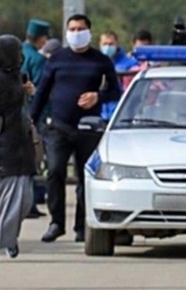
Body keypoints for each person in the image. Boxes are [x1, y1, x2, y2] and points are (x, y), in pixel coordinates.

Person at [30, 14, 122, 243]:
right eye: (72, 28)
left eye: (80, 28)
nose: (76, 32)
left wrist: (97, 96)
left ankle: (82, 226)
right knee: (55, 172)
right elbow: (42, 91)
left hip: (88, 128)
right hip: (59, 127)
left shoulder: (100, 60)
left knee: (85, 178)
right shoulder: (56, 59)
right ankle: (56, 222)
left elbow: (116, 91)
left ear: (89, 32)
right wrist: (31, 120)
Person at [0, 35, 37, 258]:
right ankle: (6, 238)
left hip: (21, 148)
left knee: (24, 200)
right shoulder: (5, 82)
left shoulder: (15, 77)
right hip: (6, 150)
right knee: (13, 200)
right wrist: (21, 91)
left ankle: (8, 237)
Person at [20, 19, 51, 219]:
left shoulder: (16, 53)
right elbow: (41, 91)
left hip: (14, 116)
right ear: (41, 39)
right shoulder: (38, 60)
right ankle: (31, 202)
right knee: (35, 159)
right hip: (33, 116)